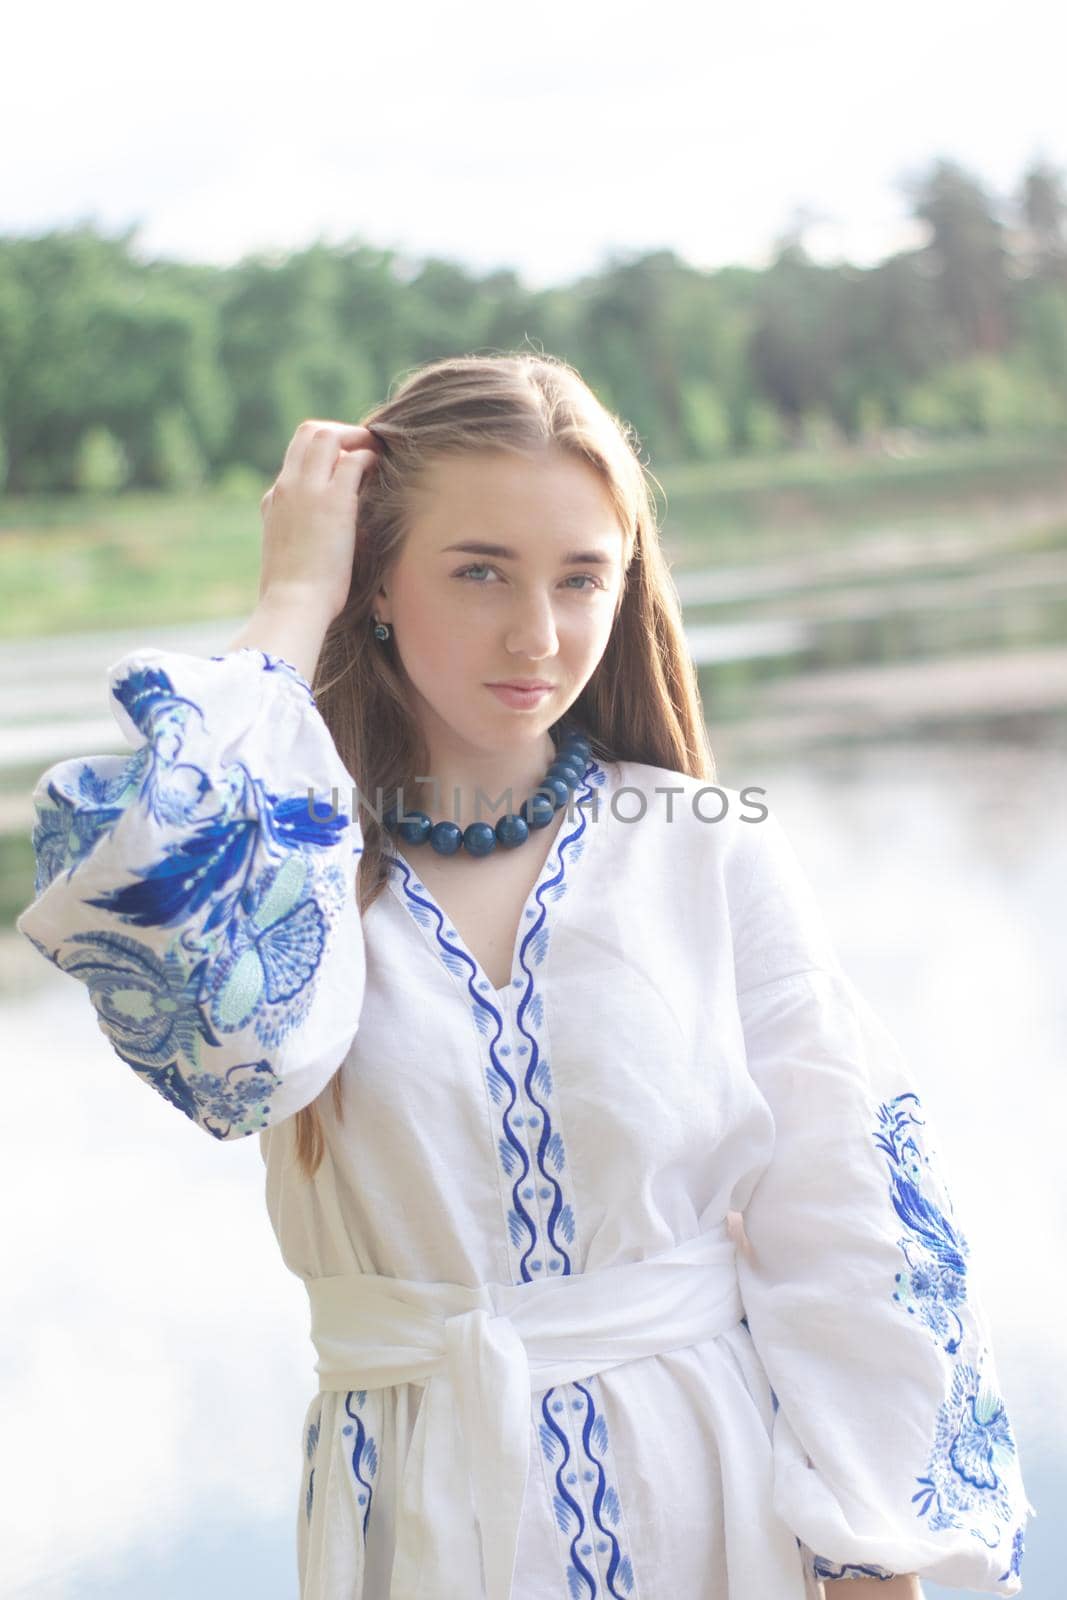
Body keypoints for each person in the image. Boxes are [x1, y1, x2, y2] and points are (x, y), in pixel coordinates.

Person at [16, 352, 1033, 1600]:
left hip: (707, 1493)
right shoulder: (298, 871)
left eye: (580, 577)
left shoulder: (701, 844)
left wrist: (874, 1550)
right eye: (479, 569)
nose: (537, 635)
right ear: (376, 578)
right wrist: (290, 600)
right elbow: (221, 1052)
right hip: (419, 1502)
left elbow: (848, 1205)